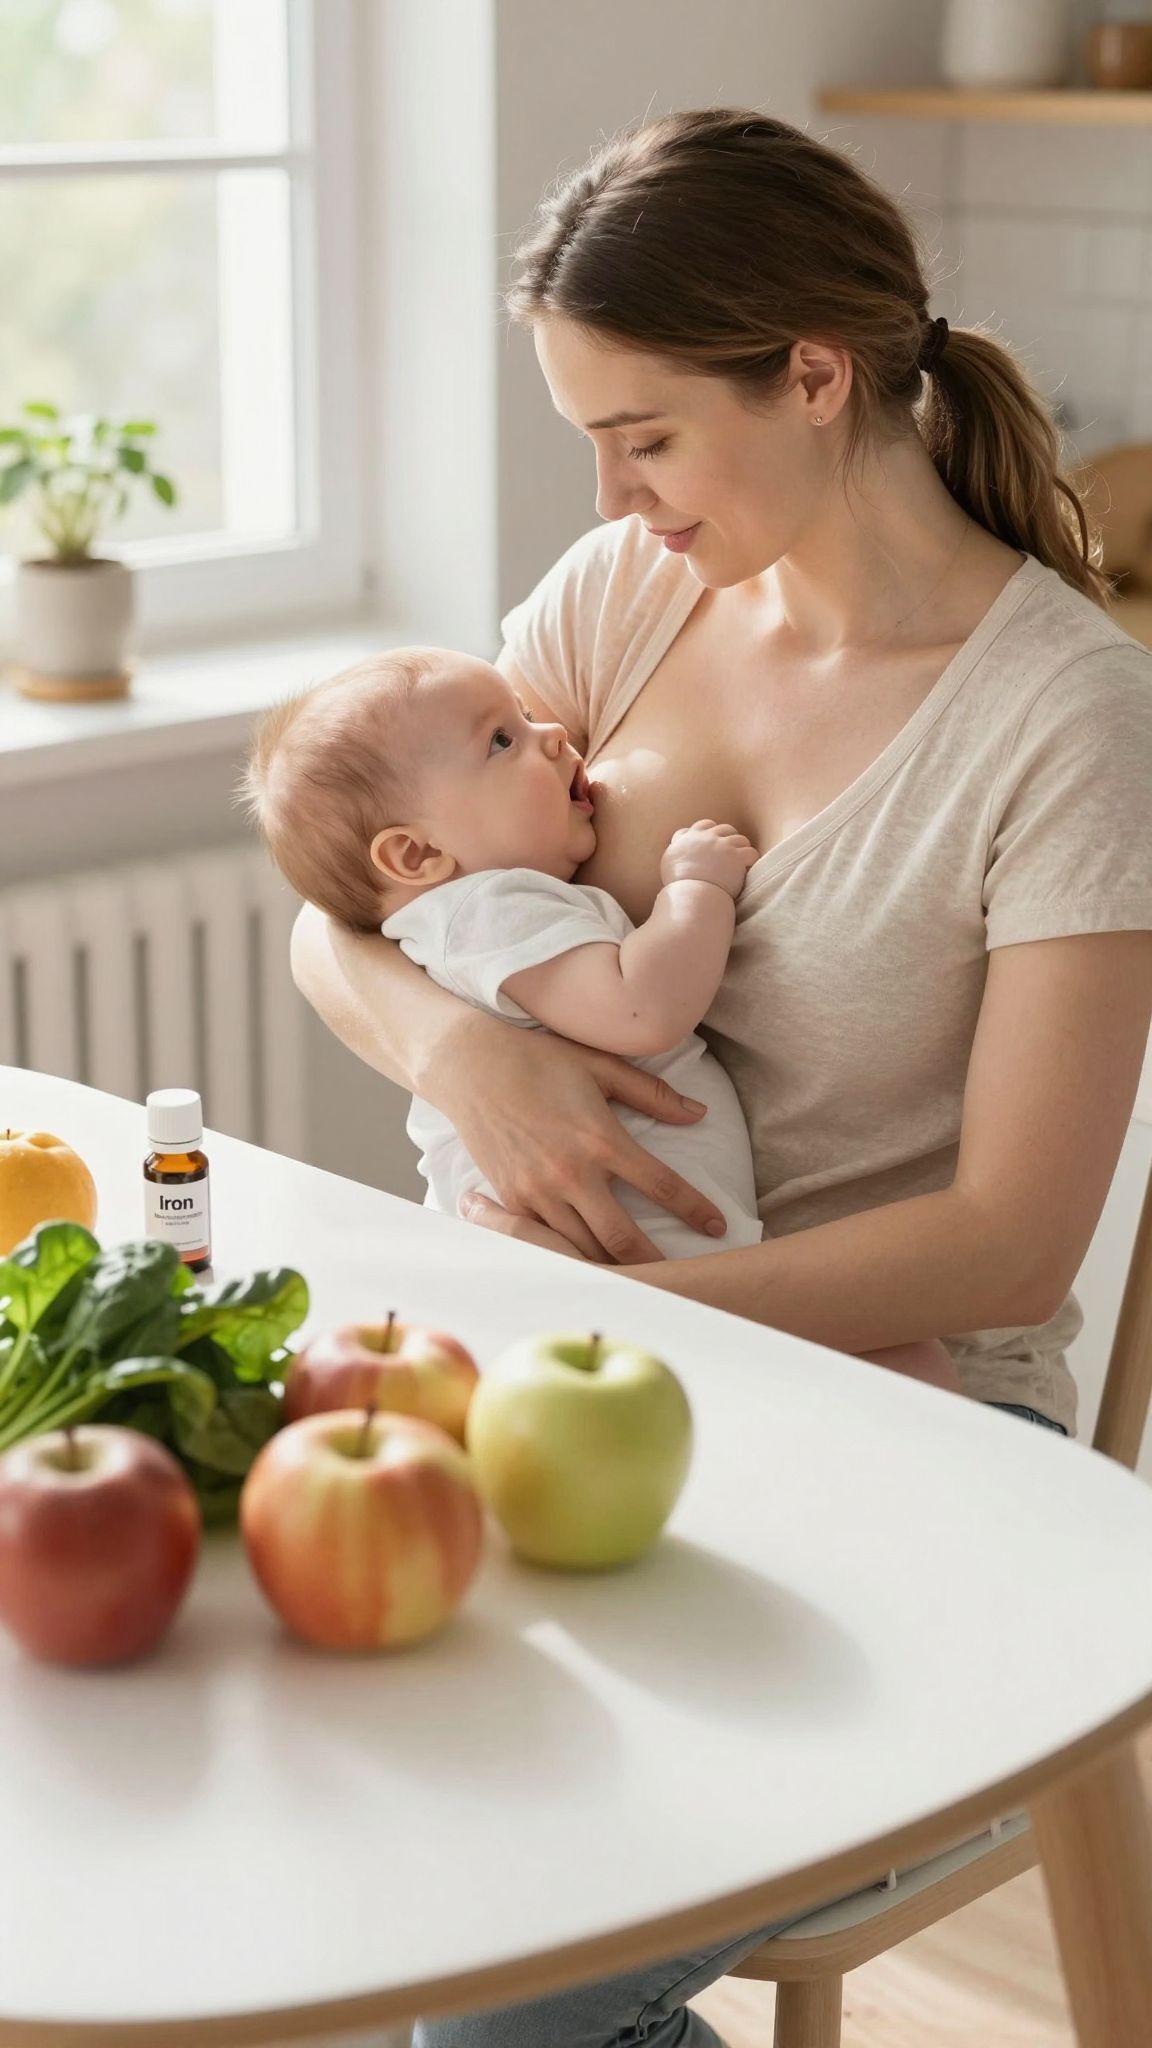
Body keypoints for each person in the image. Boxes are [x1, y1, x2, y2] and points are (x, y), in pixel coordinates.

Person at [291, 107, 1152, 2047]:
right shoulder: (629, 600)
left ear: (816, 376)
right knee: (320, 1790)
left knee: (490, 1997)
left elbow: (1010, 1245)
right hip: (603, 1399)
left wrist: (628, 1319)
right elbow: (341, 915)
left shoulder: (1069, 723)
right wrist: (463, 1054)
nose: (611, 495)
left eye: (646, 436)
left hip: (920, 1447)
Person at [244, 648, 955, 1389]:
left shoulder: (463, 919)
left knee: (907, 1365)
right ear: (417, 853)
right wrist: (696, 889)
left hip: (629, 1264)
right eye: (502, 739)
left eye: (525, 714)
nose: (552, 733)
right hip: (633, 1260)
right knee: (913, 1366)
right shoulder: (488, 911)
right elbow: (643, 1008)